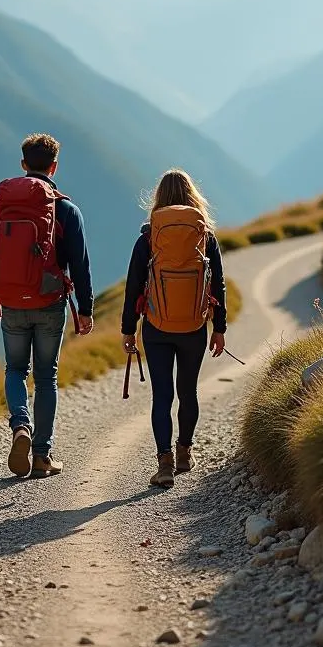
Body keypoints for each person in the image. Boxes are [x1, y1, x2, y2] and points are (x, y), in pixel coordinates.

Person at [0, 133, 94, 479]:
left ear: (23, 165)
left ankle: (20, 427)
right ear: (54, 166)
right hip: (49, 303)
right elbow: (80, 264)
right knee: (46, 377)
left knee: (15, 370)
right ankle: (42, 456)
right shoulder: (66, 209)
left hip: (11, 301)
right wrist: (85, 309)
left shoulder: (0, 207)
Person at [120, 169, 227, 489]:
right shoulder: (205, 237)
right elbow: (218, 286)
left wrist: (129, 329)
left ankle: (164, 464)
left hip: (157, 327)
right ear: (193, 197)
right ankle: (185, 453)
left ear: (159, 199)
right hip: (194, 326)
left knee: (162, 395)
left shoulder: (149, 237)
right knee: (188, 391)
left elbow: (133, 286)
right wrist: (219, 328)